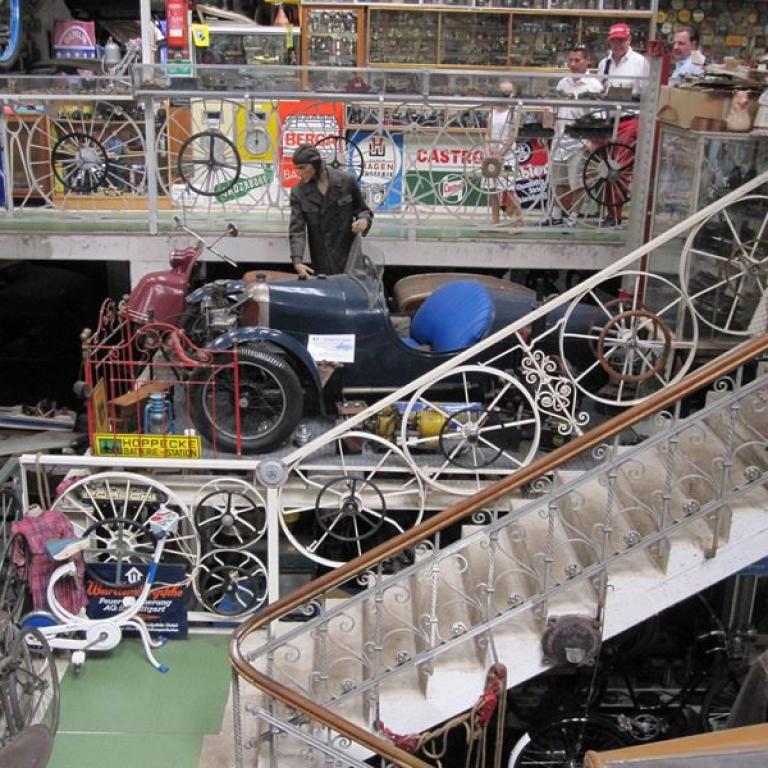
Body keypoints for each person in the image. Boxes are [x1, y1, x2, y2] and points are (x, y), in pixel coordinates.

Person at [288, 143, 373, 277]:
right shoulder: (299, 192)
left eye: (302, 168)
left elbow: (362, 209)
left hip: (348, 256)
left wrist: (364, 220)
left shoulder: (346, 181)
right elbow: (297, 230)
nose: (298, 172)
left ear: (315, 164)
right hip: (322, 260)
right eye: (297, 168)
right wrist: (297, 260)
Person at [542, 45, 603, 227]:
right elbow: (553, 109)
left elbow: (599, 116)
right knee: (558, 180)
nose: (573, 64)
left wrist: (591, 141)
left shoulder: (594, 86)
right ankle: (556, 215)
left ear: (587, 61)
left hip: (579, 142)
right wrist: (547, 124)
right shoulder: (563, 83)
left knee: (577, 183)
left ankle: (573, 217)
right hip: (560, 139)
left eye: (577, 60)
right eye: (571, 60)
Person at [485, 79, 524, 227]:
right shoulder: (492, 112)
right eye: (503, 92)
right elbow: (487, 134)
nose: (505, 95)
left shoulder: (513, 113)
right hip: (492, 156)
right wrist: (488, 152)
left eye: (508, 92)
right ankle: (495, 220)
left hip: (508, 157)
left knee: (509, 189)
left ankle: (519, 221)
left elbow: (512, 136)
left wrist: (500, 154)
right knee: (492, 189)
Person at [598, 22, 649, 99]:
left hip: (631, 106)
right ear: (609, 42)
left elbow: (646, 94)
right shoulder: (604, 63)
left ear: (629, 39)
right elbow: (600, 90)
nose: (617, 45)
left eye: (621, 40)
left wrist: (617, 94)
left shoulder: (641, 62)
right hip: (606, 106)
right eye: (614, 41)